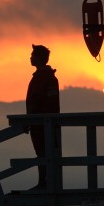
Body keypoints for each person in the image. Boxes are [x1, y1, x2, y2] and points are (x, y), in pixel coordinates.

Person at [25, 44, 60, 188]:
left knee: (42, 152)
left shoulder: (42, 78)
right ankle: (47, 181)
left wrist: (29, 119)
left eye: (33, 55)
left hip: (40, 123)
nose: (30, 57)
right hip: (47, 122)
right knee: (47, 152)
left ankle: (43, 183)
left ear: (39, 58)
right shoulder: (50, 77)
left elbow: (36, 99)